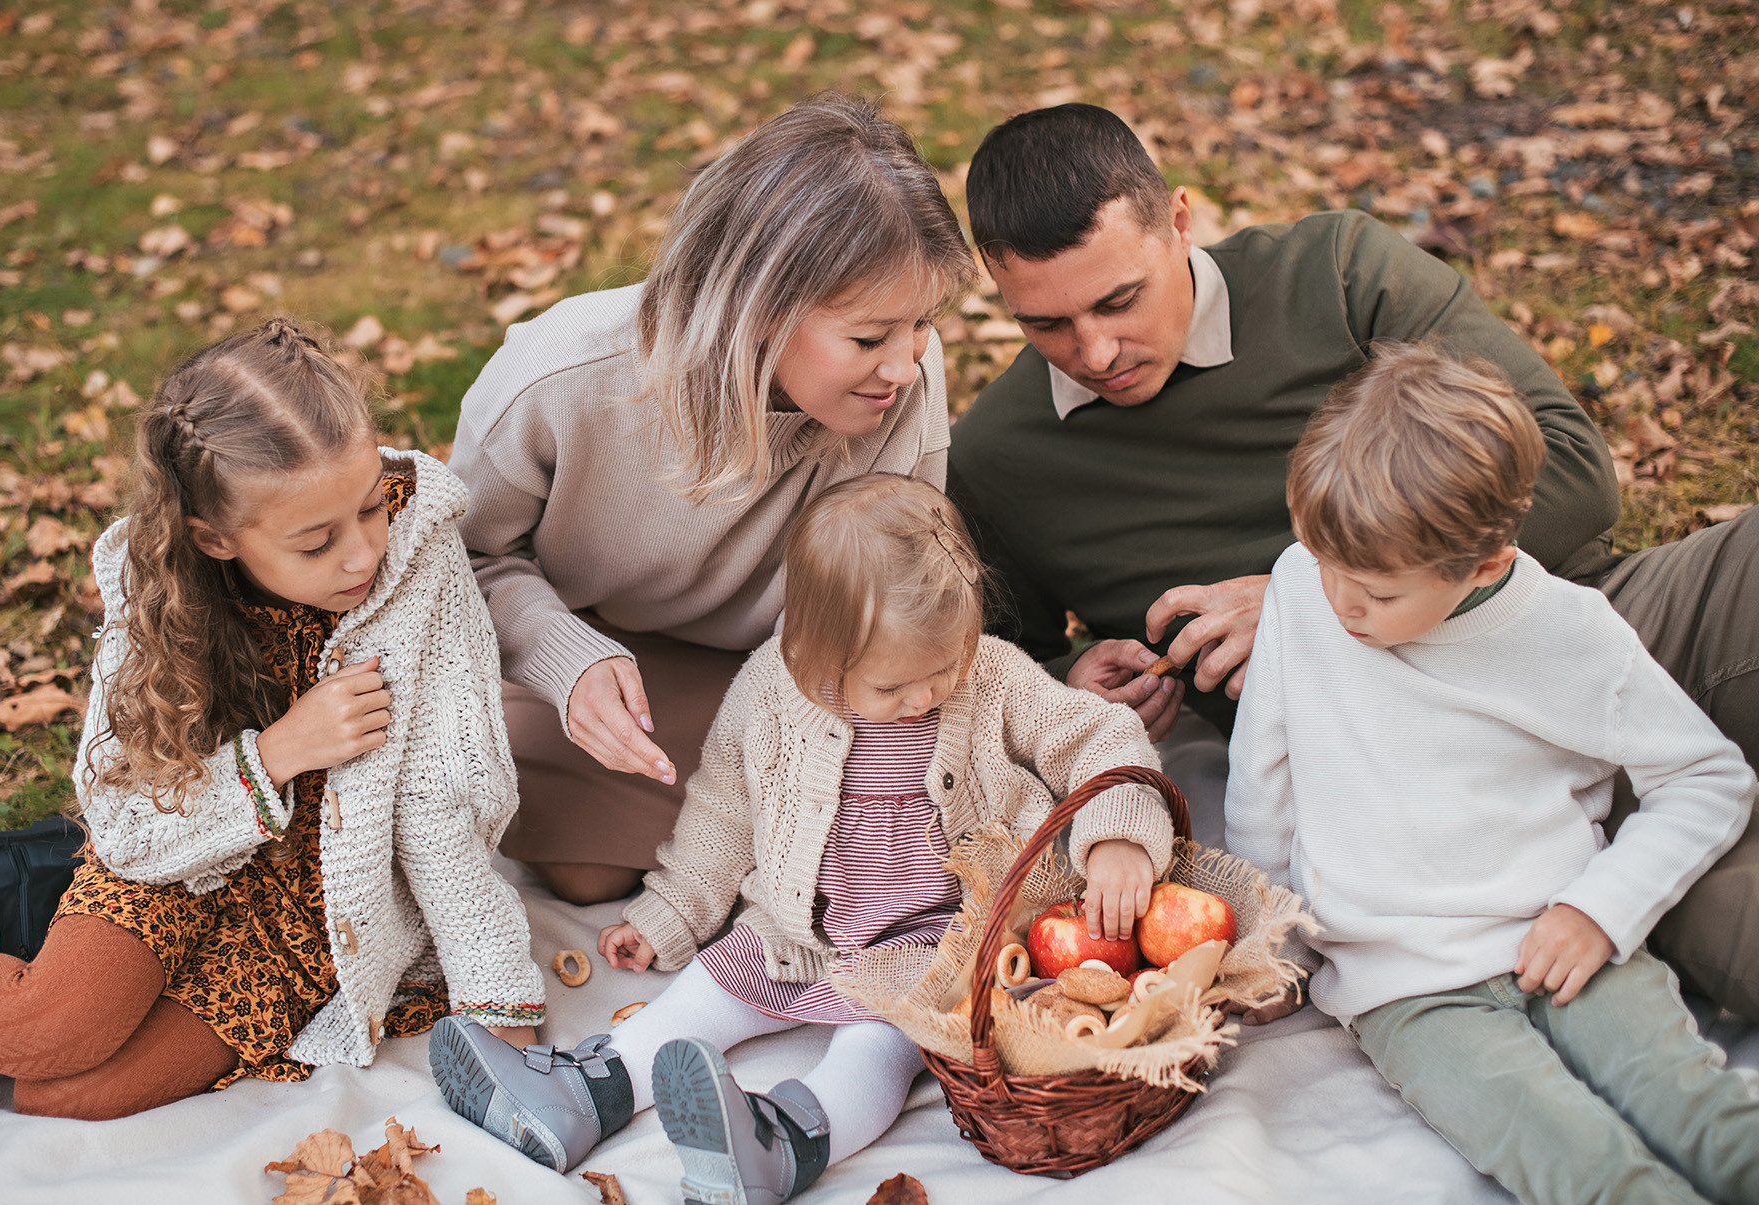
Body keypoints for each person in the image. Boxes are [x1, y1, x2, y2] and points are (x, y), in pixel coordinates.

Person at [949, 101, 1759, 1019]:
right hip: (1420, 789)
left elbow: (1571, 470)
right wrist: (1075, 682)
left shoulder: (1335, 274)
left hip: (1576, 626)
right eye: (1045, 325)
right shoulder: (997, 458)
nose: (1094, 351)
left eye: (1119, 300)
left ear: (1179, 221)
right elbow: (988, 676)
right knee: (1720, 910)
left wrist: (1301, 590)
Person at [0, 320, 548, 1115]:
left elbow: (443, 802)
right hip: (175, 849)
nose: (362, 554)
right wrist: (276, 754)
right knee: (41, 1032)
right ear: (214, 538)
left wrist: (500, 1009)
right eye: (315, 543)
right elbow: (127, 815)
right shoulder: (159, 585)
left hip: (308, 914)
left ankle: (37, 877)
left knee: (64, 1092)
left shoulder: (420, 559)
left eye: (371, 506)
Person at [429, 474, 1174, 1203]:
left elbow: (1099, 734)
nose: (923, 696)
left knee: (877, 1048)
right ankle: (583, 1095)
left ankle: (784, 1140)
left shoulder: (994, 677)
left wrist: (1119, 836)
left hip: (940, 938)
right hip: (799, 929)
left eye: (944, 668)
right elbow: (723, 809)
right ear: (814, 655)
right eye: (892, 687)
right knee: (702, 995)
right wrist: (674, 910)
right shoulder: (770, 691)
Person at [1224, 346, 1757, 1205]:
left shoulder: (1568, 632)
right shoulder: (1300, 588)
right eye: (1325, 563)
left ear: (1485, 564)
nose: (1342, 602)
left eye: (1379, 592)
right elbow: (1262, 786)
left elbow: (1707, 777)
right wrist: (1270, 943)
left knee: (1703, 1116)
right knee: (1583, 1166)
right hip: (1407, 987)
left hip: (1567, 940)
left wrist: (1600, 908)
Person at [451, 92, 975, 907]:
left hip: (789, 675)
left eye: (924, 324)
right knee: (586, 870)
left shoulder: (902, 380)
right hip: (596, 658)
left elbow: (896, 591)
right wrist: (564, 657)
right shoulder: (560, 376)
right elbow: (462, 561)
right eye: (870, 337)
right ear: (760, 308)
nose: (906, 365)